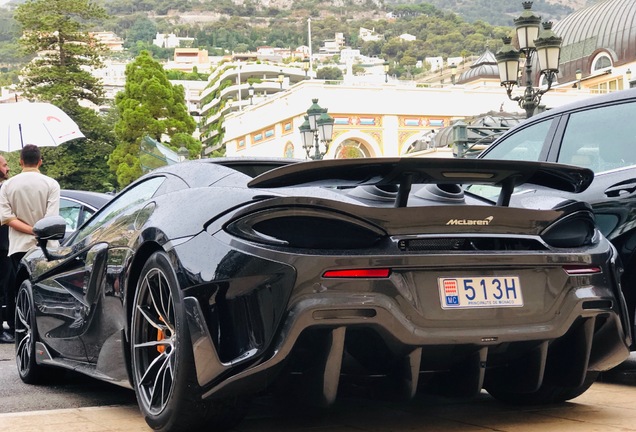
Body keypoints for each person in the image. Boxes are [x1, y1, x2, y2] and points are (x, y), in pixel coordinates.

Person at [0, 145, 60, 344]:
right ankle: (43, 333)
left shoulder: (8, 186)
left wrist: (30, 230)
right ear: (40, 161)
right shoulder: (51, 184)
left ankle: (21, 332)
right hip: (45, 247)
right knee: (43, 291)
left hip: (18, 246)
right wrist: (39, 231)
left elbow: (7, 218)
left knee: (18, 291)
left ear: (20, 161)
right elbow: (52, 219)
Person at [0, 154, 13, 343]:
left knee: (7, 287)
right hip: (2, 247)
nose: (7, 168)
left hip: (5, 245)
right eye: (4, 165)